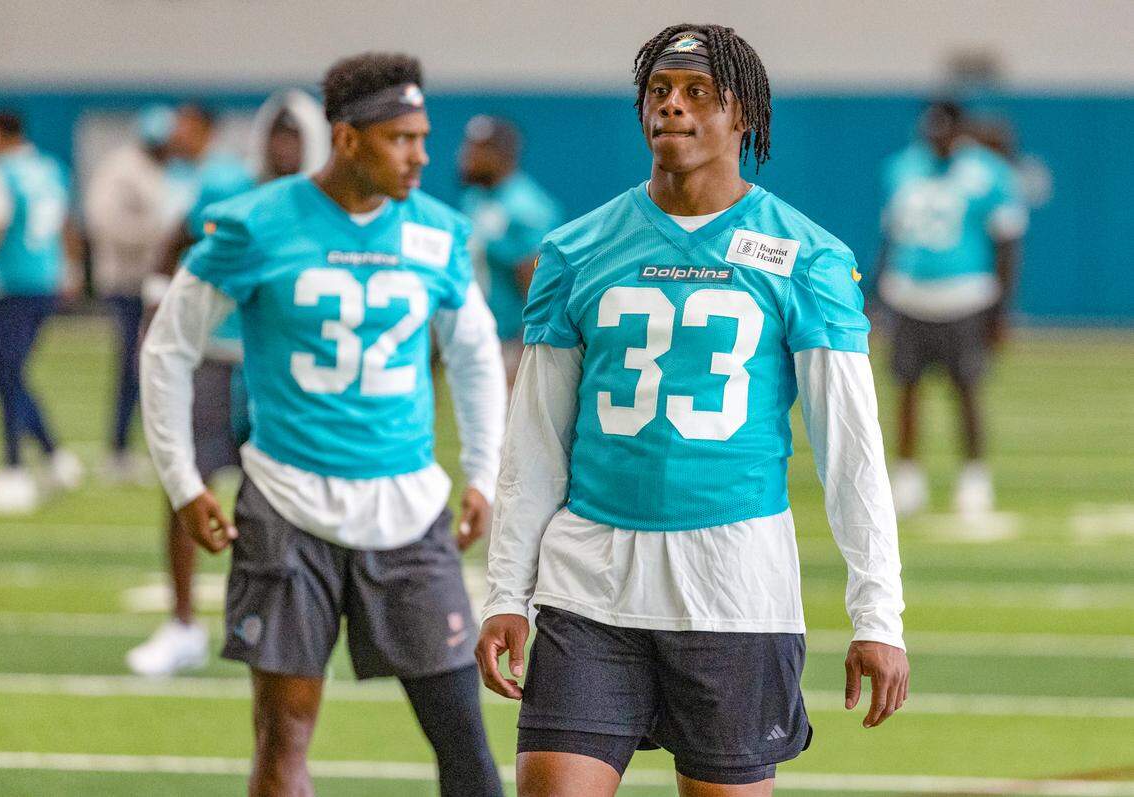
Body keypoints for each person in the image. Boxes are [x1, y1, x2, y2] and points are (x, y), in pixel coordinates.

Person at [476, 24, 908, 796]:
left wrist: (877, 615)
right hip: (591, 585)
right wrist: (507, 592)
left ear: (744, 117)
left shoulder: (805, 256)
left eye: (697, 92)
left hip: (734, 588)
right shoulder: (575, 252)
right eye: (660, 91)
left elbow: (852, 451)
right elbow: (534, 443)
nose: (672, 106)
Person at [141, 53, 505, 796]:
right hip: (285, 503)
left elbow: (472, 352)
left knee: (463, 736)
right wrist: (182, 480)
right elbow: (168, 346)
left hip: (407, 507)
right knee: (284, 735)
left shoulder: (437, 233)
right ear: (347, 139)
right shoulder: (255, 224)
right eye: (401, 138)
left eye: (423, 136)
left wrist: (485, 471)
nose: (421, 155)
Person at [126, 90, 330, 677]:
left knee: (284, 499)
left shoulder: (327, 203)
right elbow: (173, 245)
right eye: (278, 132)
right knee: (185, 484)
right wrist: (155, 309)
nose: (285, 145)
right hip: (217, 356)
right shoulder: (224, 186)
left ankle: (285, 626)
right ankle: (182, 621)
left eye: (297, 134)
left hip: (286, 369)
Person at [877, 101, 1028, 516]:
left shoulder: (988, 172)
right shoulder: (902, 168)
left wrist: (1000, 310)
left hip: (965, 297)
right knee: (906, 389)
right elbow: (891, 236)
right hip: (909, 294)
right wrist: (880, 291)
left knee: (967, 391)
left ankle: (973, 479)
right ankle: (907, 478)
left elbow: (1007, 242)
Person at [0, 110, 83, 514]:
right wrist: (71, 267)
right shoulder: (51, 168)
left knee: (9, 369)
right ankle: (52, 454)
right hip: (45, 278)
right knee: (10, 369)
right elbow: (67, 223)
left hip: (11, 281)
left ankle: (15, 466)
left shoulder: (3, 172)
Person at [84, 105, 180, 481]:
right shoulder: (122, 169)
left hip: (152, 282)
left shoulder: (160, 171)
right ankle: (118, 448)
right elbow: (103, 220)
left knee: (150, 366)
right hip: (126, 281)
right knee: (132, 365)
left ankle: (133, 446)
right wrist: (152, 239)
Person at [459, 115, 560, 384]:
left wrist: (526, 348)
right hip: (478, 335)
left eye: (478, 149)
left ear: (502, 154)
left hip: (508, 342)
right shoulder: (475, 198)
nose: (466, 155)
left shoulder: (527, 207)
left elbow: (538, 287)